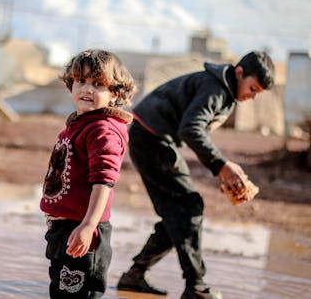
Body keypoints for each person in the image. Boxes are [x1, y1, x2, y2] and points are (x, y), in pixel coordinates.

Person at [116, 50, 275, 299]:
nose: (252, 96)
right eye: (253, 89)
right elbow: (191, 128)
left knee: (176, 214)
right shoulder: (217, 88)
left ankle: (134, 277)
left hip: (151, 138)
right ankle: (196, 286)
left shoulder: (223, 88)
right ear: (240, 73)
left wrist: (220, 166)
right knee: (189, 208)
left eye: (257, 93)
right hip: (152, 139)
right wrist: (222, 166)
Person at [41, 49, 136, 298]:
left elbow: (103, 182)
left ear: (114, 93)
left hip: (85, 230)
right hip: (64, 229)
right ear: (71, 84)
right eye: (81, 81)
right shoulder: (79, 123)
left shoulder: (102, 130)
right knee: (61, 292)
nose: (87, 89)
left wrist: (88, 225)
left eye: (98, 84)